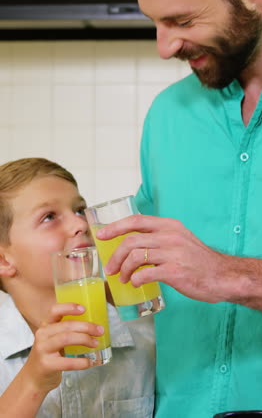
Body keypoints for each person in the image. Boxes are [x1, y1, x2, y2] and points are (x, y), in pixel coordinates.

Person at [95, 0, 262, 417]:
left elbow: (208, 271)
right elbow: (140, 282)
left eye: (182, 19)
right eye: (155, 22)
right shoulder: (168, 114)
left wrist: (232, 276)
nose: (164, 47)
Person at [0, 157, 155, 418]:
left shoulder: (146, 335)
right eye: (49, 217)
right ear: (4, 260)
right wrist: (32, 382)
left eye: (80, 210)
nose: (81, 224)